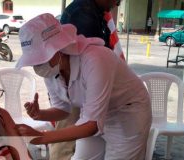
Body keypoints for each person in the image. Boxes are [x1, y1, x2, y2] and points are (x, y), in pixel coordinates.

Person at [15, 13, 152, 160]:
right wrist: (41, 114)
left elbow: (91, 125)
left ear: (59, 48)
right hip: (92, 115)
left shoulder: (95, 59)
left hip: (127, 113)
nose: (38, 65)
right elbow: (63, 110)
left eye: (41, 58)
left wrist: (42, 137)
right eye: (35, 61)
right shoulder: (52, 70)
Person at [54, 0, 124, 159]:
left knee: (72, 141)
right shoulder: (83, 12)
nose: (118, 3)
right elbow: (96, 59)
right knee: (65, 142)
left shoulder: (93, 11)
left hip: (84, 88)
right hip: (79, 86)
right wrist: (42, 135)